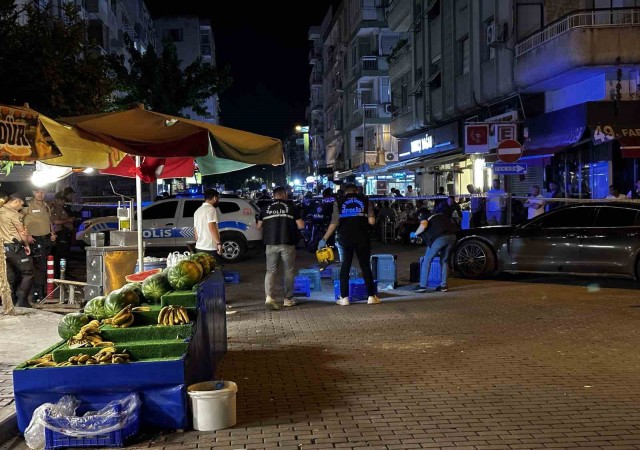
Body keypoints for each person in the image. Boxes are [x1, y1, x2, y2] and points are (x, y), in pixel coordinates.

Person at [319, 183, 380, 306]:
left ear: (345, 191)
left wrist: (324, 238)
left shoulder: (339, 202)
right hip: (362, 238)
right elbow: (372, 221)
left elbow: (334, 223)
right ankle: (371, 297)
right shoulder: (365, 200)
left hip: (344, 239)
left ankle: (344, 298)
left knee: (345, 267)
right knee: (365, 266)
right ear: (357, 191)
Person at [256, 186, 305, 310]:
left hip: (270, 244)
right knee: (288, 271)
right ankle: (288, 299)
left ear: (273, 196)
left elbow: (258, 226)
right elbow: (300, 226)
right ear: (285, 195)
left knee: (270, 271)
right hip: (287, 243)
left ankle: (269, 297)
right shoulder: (292, 208)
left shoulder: (265, 208)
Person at [0, 193, 35, 308]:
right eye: (21, 205)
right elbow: (21, 233)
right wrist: (26, 244)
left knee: (9, 277)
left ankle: (8, 302)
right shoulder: (14, 215)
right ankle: (22, 300)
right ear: (16, 201)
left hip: (2, 248)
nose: (21, 208)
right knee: (28, 272)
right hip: (14, 247)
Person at [410, 208, 456, 293]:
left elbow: (423, 225)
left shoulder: (424, 216)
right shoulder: (439, 215)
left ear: (420, 214)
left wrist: (415, 234)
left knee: (427, 260)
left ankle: (422, 286)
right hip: (452, 237)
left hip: (440, 237)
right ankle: (443, 286)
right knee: (444, 261)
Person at [23, 188, 56, 302]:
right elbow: (19, 221)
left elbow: (49, 220)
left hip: (46, 239)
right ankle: (38, 293)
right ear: (33, 193)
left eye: (42, 192)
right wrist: (27, 235)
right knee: (39, 267)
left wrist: (52, 233)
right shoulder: (27, 205)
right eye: (37, 192)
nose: (40, 194)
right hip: (34, 239)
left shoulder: (46, 205)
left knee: (45, 267)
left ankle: (42, 292)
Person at [193, 189, 223, 260]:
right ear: (215, 198)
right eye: (218, 198)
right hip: (210, 248)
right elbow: (211, 227)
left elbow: (195, 230)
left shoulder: (197, 211)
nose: (218, 200)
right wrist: (219, 243)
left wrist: (199, 242)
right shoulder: (211, 209)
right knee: (213, 269)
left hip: (199, 247)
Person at [50, 192, 74, 279]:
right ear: (57, 200)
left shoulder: (61, 208)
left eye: (64, 200)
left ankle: (64, 273)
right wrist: (68, 220)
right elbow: (54, 221)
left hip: (64, 234)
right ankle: (61, 274)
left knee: (65, 255)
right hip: (60, 234)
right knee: (61, 255)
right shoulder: (55, 209)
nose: (63, 202)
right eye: (62, 200)